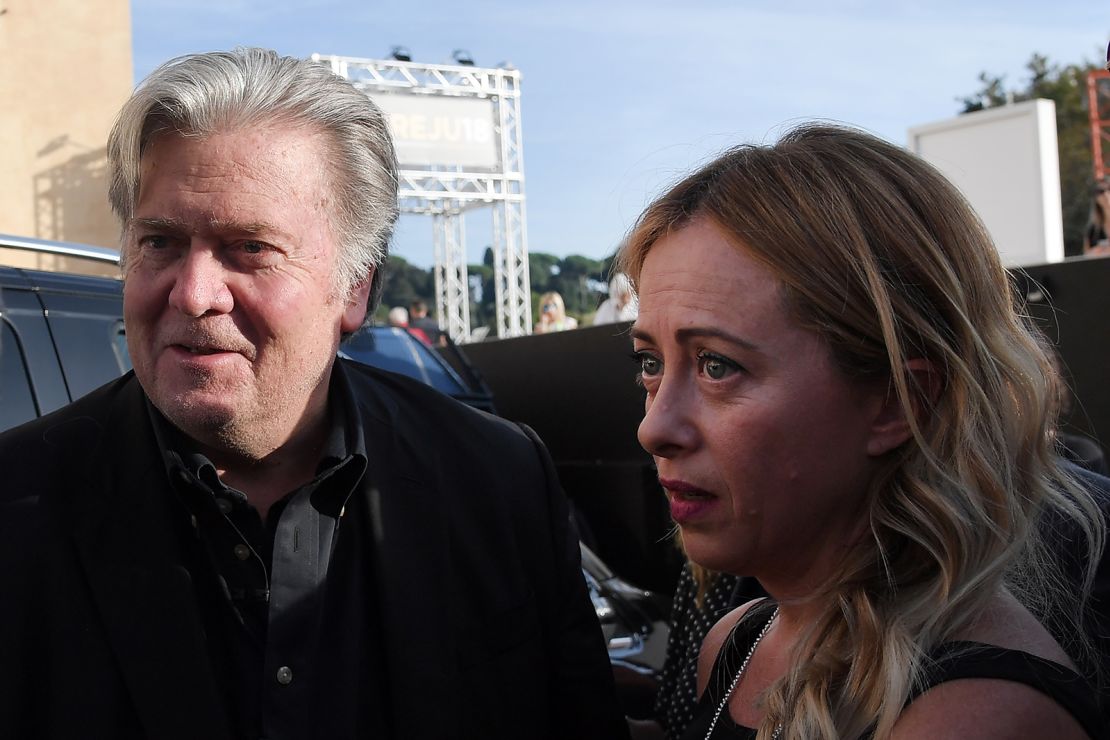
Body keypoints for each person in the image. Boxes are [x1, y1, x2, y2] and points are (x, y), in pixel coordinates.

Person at [0, 48, 627, 740]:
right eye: (160, 242)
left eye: (251, 248)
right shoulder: (18, 504)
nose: (194, 293)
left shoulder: (497, 479)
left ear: (355, 286)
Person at [619, 124, 1106, 738]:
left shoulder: (971, 716)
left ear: (897, 402)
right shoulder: (738, 642)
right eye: (650, 364)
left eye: (718, 366)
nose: (654, 427)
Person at [1084, 178, 1110, 256]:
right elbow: (1085, 256)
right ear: (1096, 198)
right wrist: (1096, 251)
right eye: (1101, 191)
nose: (1106, 194)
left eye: (1109, 188)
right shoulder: (1093, 230)